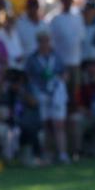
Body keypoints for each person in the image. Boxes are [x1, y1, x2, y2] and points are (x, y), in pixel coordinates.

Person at [26, 30, 69, 163]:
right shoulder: (33, 59)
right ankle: (46, 154)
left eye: (46, 41)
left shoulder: (56, 56)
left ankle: (62, 154)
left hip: (56, 92)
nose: (44, 44)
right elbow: (28, 77)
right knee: (44, 125)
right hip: (41, 93)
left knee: (59, 124)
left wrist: (58, 82)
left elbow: (65, 73)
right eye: (41, 41)